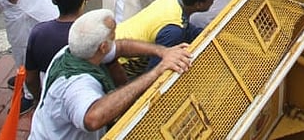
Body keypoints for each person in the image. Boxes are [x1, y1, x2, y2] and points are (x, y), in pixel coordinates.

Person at [26, 9, 191, 140]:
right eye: (112, 36)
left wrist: (163, 51)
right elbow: (93, 118)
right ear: (103, 47)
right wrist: (157, 71)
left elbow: (121, 47)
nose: (115, 40)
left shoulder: (74, 51)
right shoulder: (77, 86)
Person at [25, 0, 92, 103]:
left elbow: (31, 79)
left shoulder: (38, 33)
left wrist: (40, 99)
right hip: (86, 98)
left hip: (52, 97)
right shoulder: (93, 32)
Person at [115, 0, 220, 51]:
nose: (215, 0)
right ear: (199, 4)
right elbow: (157, 67)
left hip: (118, 36)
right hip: (125, 59)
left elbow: (186, 26)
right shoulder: (173, 31)